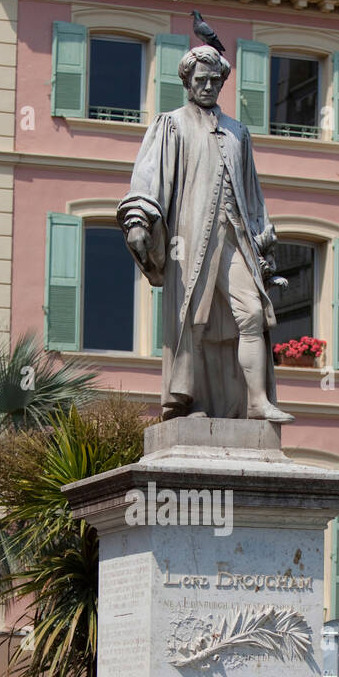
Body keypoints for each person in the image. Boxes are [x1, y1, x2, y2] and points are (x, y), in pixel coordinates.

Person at [117, 43, 294, 425]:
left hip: (235, 241)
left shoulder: (238, 132)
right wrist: (137, 221)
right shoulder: (172, 124)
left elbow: (252, 193)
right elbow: (148, 179)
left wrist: (264, 243)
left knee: (251, 315)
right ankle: (190, 401)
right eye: (201, 79)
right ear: (187, 82)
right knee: (193, 322)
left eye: (216, 80)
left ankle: (257, 401)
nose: (209, 86)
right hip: (191, 242)